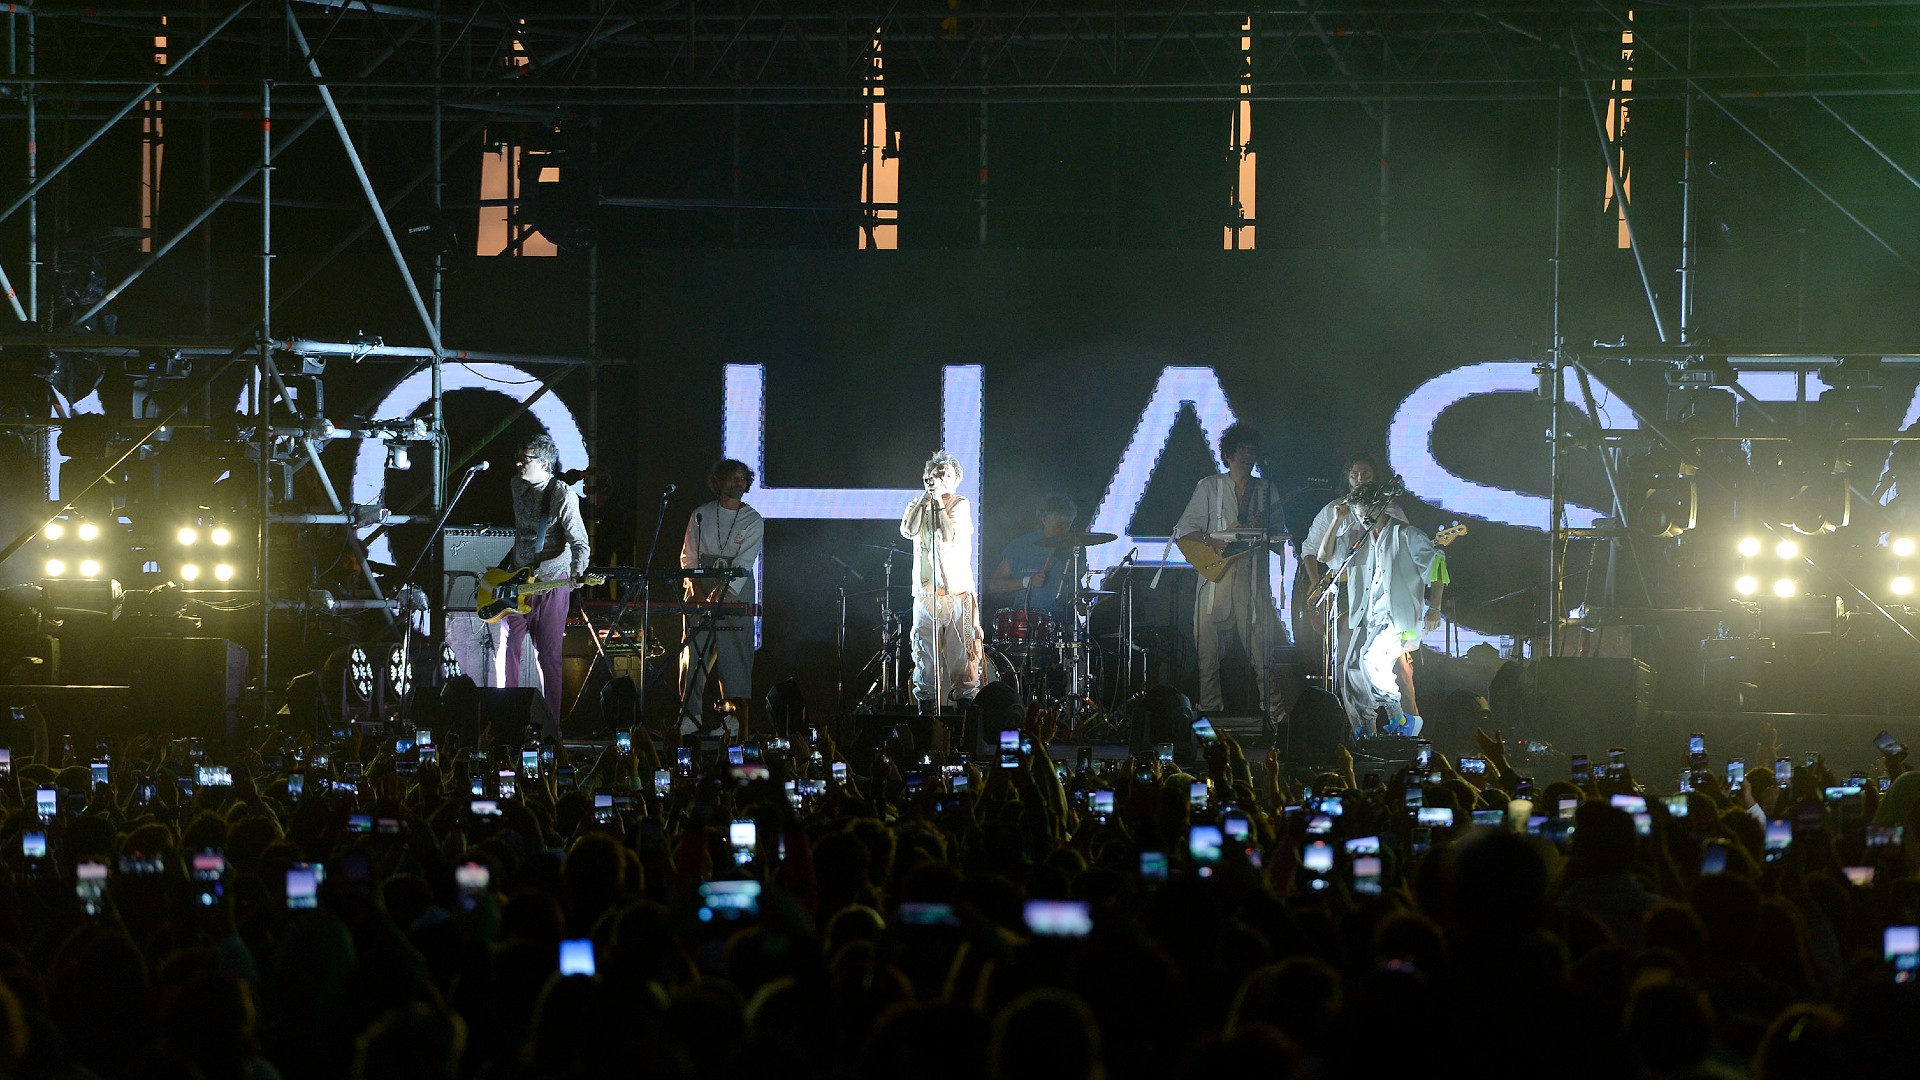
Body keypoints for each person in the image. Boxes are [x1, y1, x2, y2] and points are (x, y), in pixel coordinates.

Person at [1301, 451, 1447, 736]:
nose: (1360, 521)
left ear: (1376, 508)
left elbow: (1437, 562)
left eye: (1362, 515)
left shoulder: (1404, 533)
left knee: (1372, 662)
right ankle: (1367, 728)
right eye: (1356, 516)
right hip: (1364, 612)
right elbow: (1321, 553)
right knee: (1351, 669)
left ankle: (1403, 719)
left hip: (1397, 616)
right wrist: (1337, 521)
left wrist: (1435, 608)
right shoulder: (1360, 538)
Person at [1175, 423, 1287, 722]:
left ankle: (1275, 718)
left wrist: (1267, 535)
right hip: (1217, 575)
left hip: (1252, 576)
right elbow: (1185, 529)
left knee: (1262, 648)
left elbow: (1279, 535)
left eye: (1251, 450)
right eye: (1241, 449)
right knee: (1207, 651)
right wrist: (1212, 539)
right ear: (1228, 454)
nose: (1247, 455)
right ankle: (1209, 713)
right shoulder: (1209, 486)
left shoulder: (1266, 489)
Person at [497, 432, 591, 728]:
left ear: (545, 464)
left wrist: (577, 574)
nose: (519, 463)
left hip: (551, 582)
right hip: (517, 580)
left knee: (548, 654)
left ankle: (552, 725)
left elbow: (580, 543)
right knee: (509, 646)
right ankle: (507, 716)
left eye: (525, 459)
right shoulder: (515, 485)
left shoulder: (563, 495)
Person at [678, 458, 764, 736]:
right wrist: (699, 589)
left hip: (735, 588)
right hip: (700, 585)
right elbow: (688, 556)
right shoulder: (701, 514)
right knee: (693, 653)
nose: (739, 482)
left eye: (743, 478)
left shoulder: (752, 519)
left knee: (734, 655)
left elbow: (745, 561)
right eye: (733, 477)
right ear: (719, 480)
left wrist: (723, 593)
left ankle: (733, 721)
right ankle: (691, 716)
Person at [900, 450, 982, 713]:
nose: (937, 478)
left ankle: (966, 722)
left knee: (962, 661)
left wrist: (937, 501)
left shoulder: (960, 504)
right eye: (933, 474)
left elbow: (948, 535)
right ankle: (928, 720)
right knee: (925, 660)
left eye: (943, 474)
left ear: (954, 480)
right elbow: (907, 530)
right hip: (925, 596)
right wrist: (926, 499)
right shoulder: (918, 505)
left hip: (956, 595)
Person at [986, 493, 1078, 644]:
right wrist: (1027, 581)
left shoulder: (1073, 550)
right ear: (1045, 519)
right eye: (1059, 524)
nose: (1063, 530)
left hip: (1061, 625)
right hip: (1024, 625)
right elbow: (995, 585)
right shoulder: (1021, 547)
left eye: (1067, 525)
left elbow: (1076, 590)